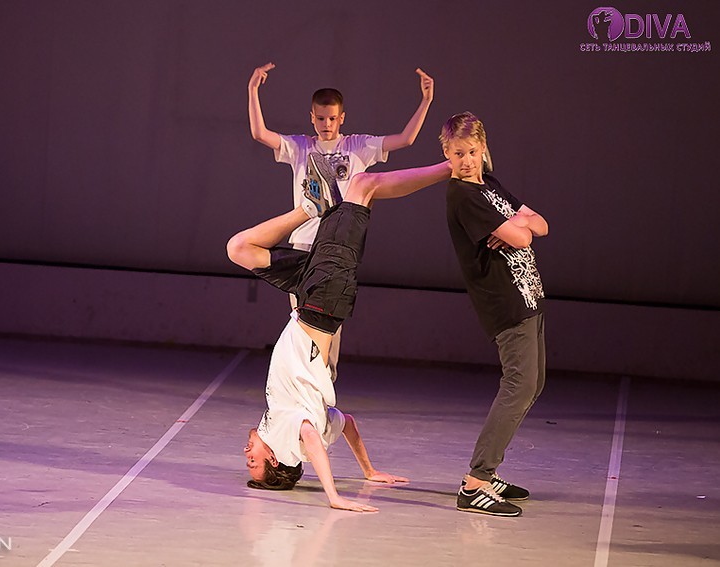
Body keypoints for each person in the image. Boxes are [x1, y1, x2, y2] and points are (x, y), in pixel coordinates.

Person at [228, 152, 452, 512]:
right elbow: (310, 437)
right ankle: (449, 169)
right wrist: (333, 496)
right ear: (274, 460)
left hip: (311, 294)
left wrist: (369, 471)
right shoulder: (287, 443)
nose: (246, 454)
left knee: (239, 249)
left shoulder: (287, 424)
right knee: (364, 185)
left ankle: (311, 208)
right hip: (323, 298)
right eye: (252, 463)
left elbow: (347, 424)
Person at [247, 62, 435, 380]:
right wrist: (253, 90)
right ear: (312, 117)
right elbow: (259, 133)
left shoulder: (358, 146)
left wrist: (426, 101)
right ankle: (302, 390)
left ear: (342, 118)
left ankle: (324, 394)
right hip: (303, 247)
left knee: (328, 329)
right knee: (301, 325)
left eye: (332, 118)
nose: (326, 124)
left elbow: (405, 139)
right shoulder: (300, 147)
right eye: (321, 118)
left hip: (336, 250)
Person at [441, 111, 549, 517]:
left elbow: (542, 224)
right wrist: (519, 224)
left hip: (529, 297)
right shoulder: (463, 197)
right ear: (447, 154)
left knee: (533, 384)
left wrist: (517, 222)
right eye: (458, 154)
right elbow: (522, 235)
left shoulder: (489, 185)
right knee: (519, 385)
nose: (466, 161)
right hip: (505, 303)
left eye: (472, 152)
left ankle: (489, 471)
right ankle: (476, 482)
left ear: (483, 148)